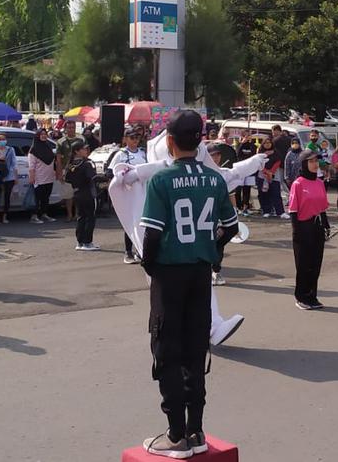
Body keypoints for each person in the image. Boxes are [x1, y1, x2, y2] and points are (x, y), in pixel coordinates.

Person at [138, 110, 239, 458]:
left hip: (169, 274)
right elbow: (232, 227)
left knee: (167, 351)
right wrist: (212, 249)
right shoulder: (214, 180)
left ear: (168, 141)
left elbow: (151, 234)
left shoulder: (161, 179)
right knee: (196, 351)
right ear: (200, 141)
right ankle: (196, 430)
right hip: (200, 272)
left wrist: (148, 265)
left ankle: (176, 434)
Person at [288, 149, 329, 310]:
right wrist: (296, 231)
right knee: (303, 264)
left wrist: (326, 225)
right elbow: (293, 210)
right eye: (311, 161)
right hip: (302, 226)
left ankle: (312, 296)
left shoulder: (319, 182)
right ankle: (301, 297)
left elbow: (323, 208)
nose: (315, 164)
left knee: (315, 263)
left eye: (316, 161)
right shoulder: (298, 183)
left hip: (317, 225)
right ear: (304, 163)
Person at [112, 127, 149, 262]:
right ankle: (128, 251)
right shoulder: (121, 154)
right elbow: (113, 172)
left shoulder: (143, 153)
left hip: (143, 190)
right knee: (131, 220)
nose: (135, 140)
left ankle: (141, 250)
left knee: (143, 221)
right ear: (125, 139)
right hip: (129, 191)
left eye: (137, 137)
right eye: (132, 137)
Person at [66, 141, 99, 251]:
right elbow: (92, 177)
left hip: (77, 193)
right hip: (88, 193)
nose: (86, 151)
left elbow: (67, 179)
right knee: (90, 217)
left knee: (81, 217)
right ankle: (87, 242)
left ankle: (80, 242)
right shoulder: (87, 163)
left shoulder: (71, 164)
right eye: (84, 149)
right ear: (77, 151)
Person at [27, 129, 57, 225]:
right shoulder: (33, 150)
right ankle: (34, 216)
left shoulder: (47, 147)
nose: (44, 136)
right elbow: (31, 166)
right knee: (37, 198)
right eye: (41, 134)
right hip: (39, 178)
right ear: (37, 136)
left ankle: (44, 214)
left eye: (45, 134)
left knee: (46, 197)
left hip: (49, 177)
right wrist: (32, 177)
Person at [55, 120, 84, 222]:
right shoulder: (60, 142)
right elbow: (58, 159)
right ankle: (69, 214)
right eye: (69, 127)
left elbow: (86, 152)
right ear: (66, 128)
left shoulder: (81, 138)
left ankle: (77, 214)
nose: (71, 129)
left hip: (79, 169)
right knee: (68, 195)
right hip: (66, 170)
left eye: (73, 127)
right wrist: (59, 173)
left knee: (78, 193)